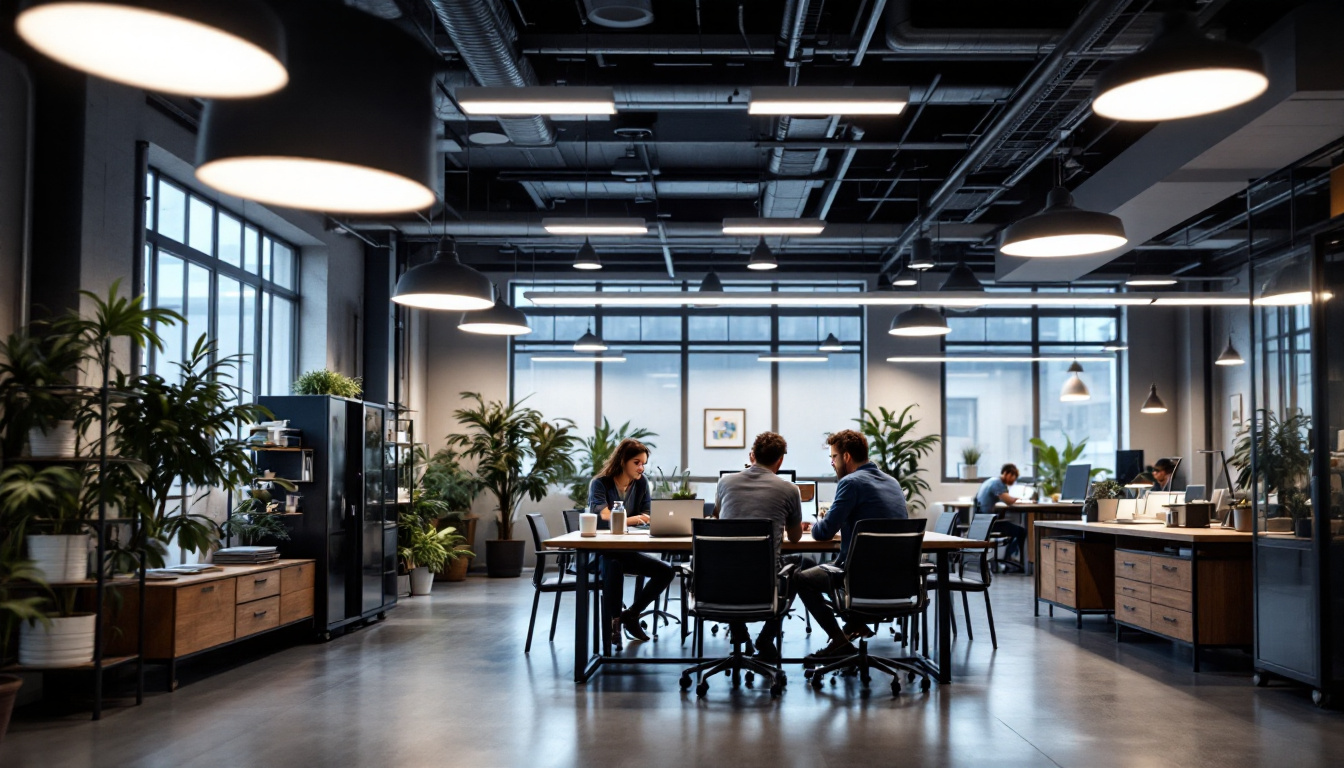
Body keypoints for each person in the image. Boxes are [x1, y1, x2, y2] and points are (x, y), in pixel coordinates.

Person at [795, 429, 908, 662]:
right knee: (821, 570)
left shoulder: (850, 482)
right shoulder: (893, 482)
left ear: (846, 457)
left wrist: (818, 521)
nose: (832, 463)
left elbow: (823, 533)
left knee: (801, 579)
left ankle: (839, 642)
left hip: (859, 580)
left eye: (833, 457)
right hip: (897, 581)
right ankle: (855, 623)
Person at [714, 431, 803, 662]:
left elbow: (717, 519)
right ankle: (766, 637)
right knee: (801, 566)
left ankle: (737, 627)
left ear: (752, 455)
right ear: (780, 460)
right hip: (764, 582)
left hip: (721, 582)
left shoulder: (725, 482)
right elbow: (794, 539)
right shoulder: (790, 489)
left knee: (734, 564)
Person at [587, 438, 676, 645]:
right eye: (637, 462)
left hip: (626, 549)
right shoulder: (600, 483)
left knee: (666, 570)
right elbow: (606, 517)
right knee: (614, 565)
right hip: (601, 552)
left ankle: (631, 615)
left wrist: (631, 519)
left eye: (643, 463)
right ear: (622, 461)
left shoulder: (641, 483)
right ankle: (614, 624)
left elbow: (648, 513)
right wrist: (636, 519)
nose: (641, 468)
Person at [975, 463, 1027, 564]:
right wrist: (1020, 499)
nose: (1013, 480)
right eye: (1013, 477)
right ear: (1006, 473)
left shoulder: (990, 481)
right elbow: (1009, 501)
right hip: (989, 523)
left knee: (1014, 529)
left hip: (981, 521)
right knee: (1021, 532)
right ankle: (1010, 560)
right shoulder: (998, 483)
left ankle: (1008, 558)